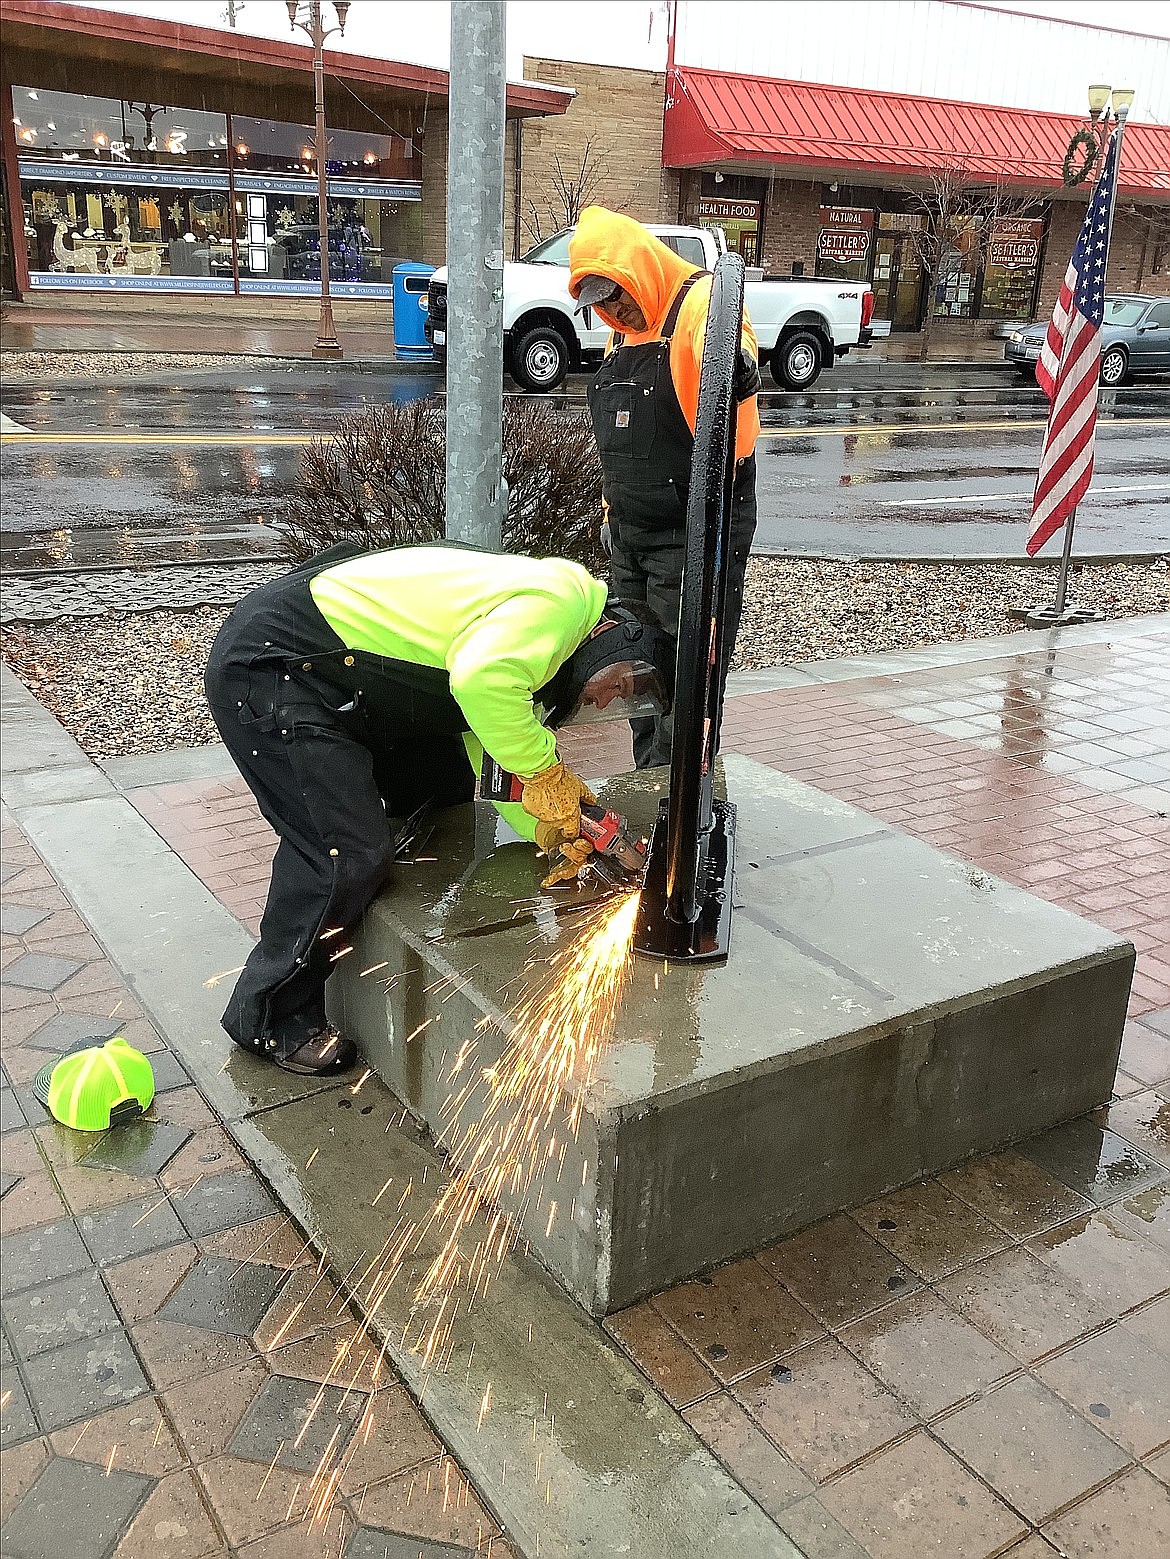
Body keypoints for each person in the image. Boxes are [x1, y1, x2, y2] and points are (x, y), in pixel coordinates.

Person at [203, 541, 671, 1076]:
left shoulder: (541, 632)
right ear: (613, 640)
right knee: (342, 849)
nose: (610, 699)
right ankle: (267, 1013)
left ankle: (368, 882)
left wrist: (560, 831)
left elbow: (493, 749)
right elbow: (481, 682)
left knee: (442, 787)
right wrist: (546, 771)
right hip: (274, 669)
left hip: (339, 672)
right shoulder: (561, 603)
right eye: (621, 684)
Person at [568, 206, 762, 768]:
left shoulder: (704, 303)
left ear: (638, 268)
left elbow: (733, 347)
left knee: (687, 673)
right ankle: (651, 784)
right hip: (631, 532)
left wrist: (738, 366)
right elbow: (621, 447)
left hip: (694, 526)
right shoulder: (621, 335)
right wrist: (611, 518)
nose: (613, 310)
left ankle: (682, 805)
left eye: (616, 295)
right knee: (641, 667)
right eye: (601, 303)